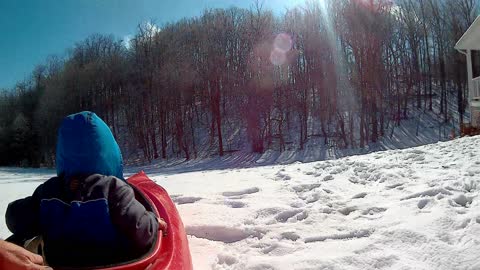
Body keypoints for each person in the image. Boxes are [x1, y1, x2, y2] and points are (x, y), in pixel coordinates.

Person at [5, 111, 164, 268]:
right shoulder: (114, 189)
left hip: (59, 265)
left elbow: (16, 220)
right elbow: (142, 232)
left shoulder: (48, 191)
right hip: (112, 264)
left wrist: (19, 211)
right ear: (108, 151)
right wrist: (154, 221)